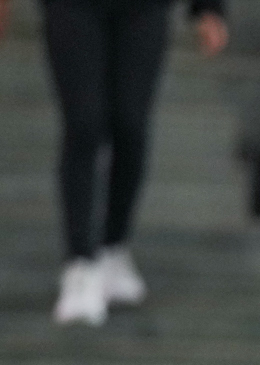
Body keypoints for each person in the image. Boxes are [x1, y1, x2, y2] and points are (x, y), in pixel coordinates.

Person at [15, 0, 228, 325]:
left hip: (142, 9)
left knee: (131, 125)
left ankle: (113, 246)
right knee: (83, 125)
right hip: (71, 8)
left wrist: (209, 8)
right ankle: (80, 263)